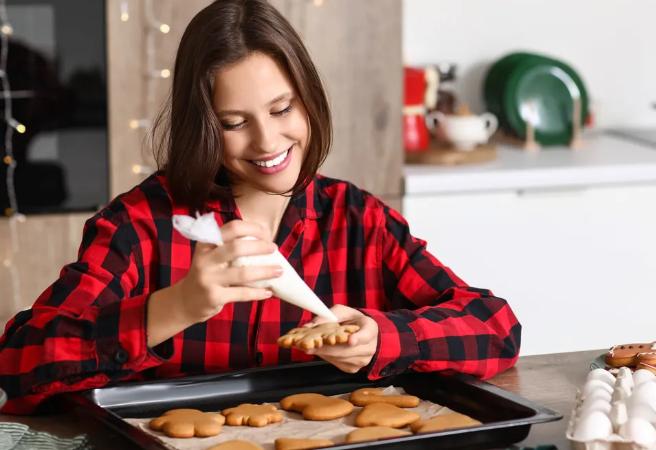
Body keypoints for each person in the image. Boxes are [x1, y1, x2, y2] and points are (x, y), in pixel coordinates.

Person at [0, 0, 520, 415]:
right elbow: (19, 363)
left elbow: (496, 328)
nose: (267, 140)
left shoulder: (357, 220)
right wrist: (173, 309)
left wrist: (384, 338)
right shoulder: (139, 227)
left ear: (308, 98)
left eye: (282, 108)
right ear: (203, 127)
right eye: (233, 122)